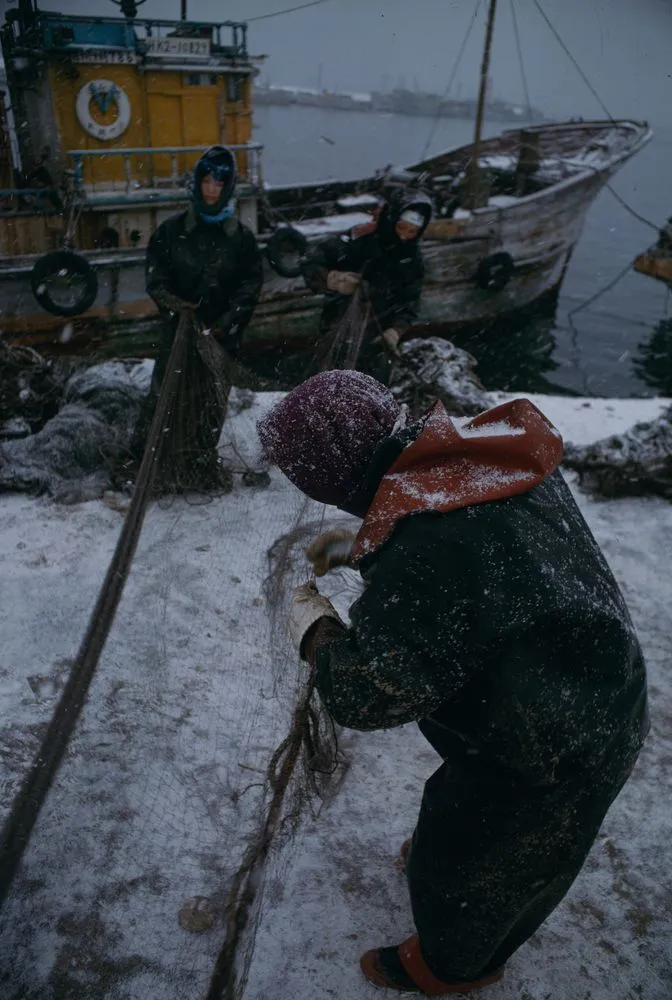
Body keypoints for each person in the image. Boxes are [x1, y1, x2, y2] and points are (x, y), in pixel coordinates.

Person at [257, 369, 649, 996]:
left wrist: (318, 633)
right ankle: (469, 879)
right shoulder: (474, 453)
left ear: (328, 482)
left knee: (480, 862)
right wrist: (374, 544)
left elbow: (370, 693)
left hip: (548, 745)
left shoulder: (427, 548)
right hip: (596, 684)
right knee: (489, 838)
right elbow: (486, 560)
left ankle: (450, 967)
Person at [135, 145, 263, 490]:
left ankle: (195, 461)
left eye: (219, 184)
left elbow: (249, 286)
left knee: (210, 403)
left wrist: (225, 322)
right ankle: (149, 463)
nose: (211, 190)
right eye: (206, 181)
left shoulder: (241, 239)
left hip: (221, 338)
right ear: (197, 184)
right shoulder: (171, 232)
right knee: (165, 395)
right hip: (179, 333)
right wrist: (177, 308)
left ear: (228, 189)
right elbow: (156, 277)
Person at [300, 188, 433, 382]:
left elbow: (410, 300)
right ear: (391, 219)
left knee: (372, 385)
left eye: (412, 232)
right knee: (330, 380)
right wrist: (332, 279)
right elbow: (311, 260)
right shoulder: (360, 240)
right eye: (401, 228)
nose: (405, 236)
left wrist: (396, 330)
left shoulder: (412, 259)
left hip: (378, 336)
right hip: (340, 327)